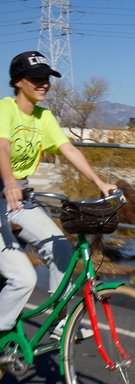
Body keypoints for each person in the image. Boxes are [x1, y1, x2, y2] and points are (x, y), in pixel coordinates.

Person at [0, 51, 119, 340]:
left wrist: (100, 183)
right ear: (18, 82)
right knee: (23, 279)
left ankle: (60, 322)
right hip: (4, 192)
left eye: (46, 79)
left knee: (61, 251)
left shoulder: (44, 117)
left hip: (20, 200)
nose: (43, 84)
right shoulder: (6, 109)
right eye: (36, 79)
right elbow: (2, 147)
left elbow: (68, 150)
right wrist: (8, 180)